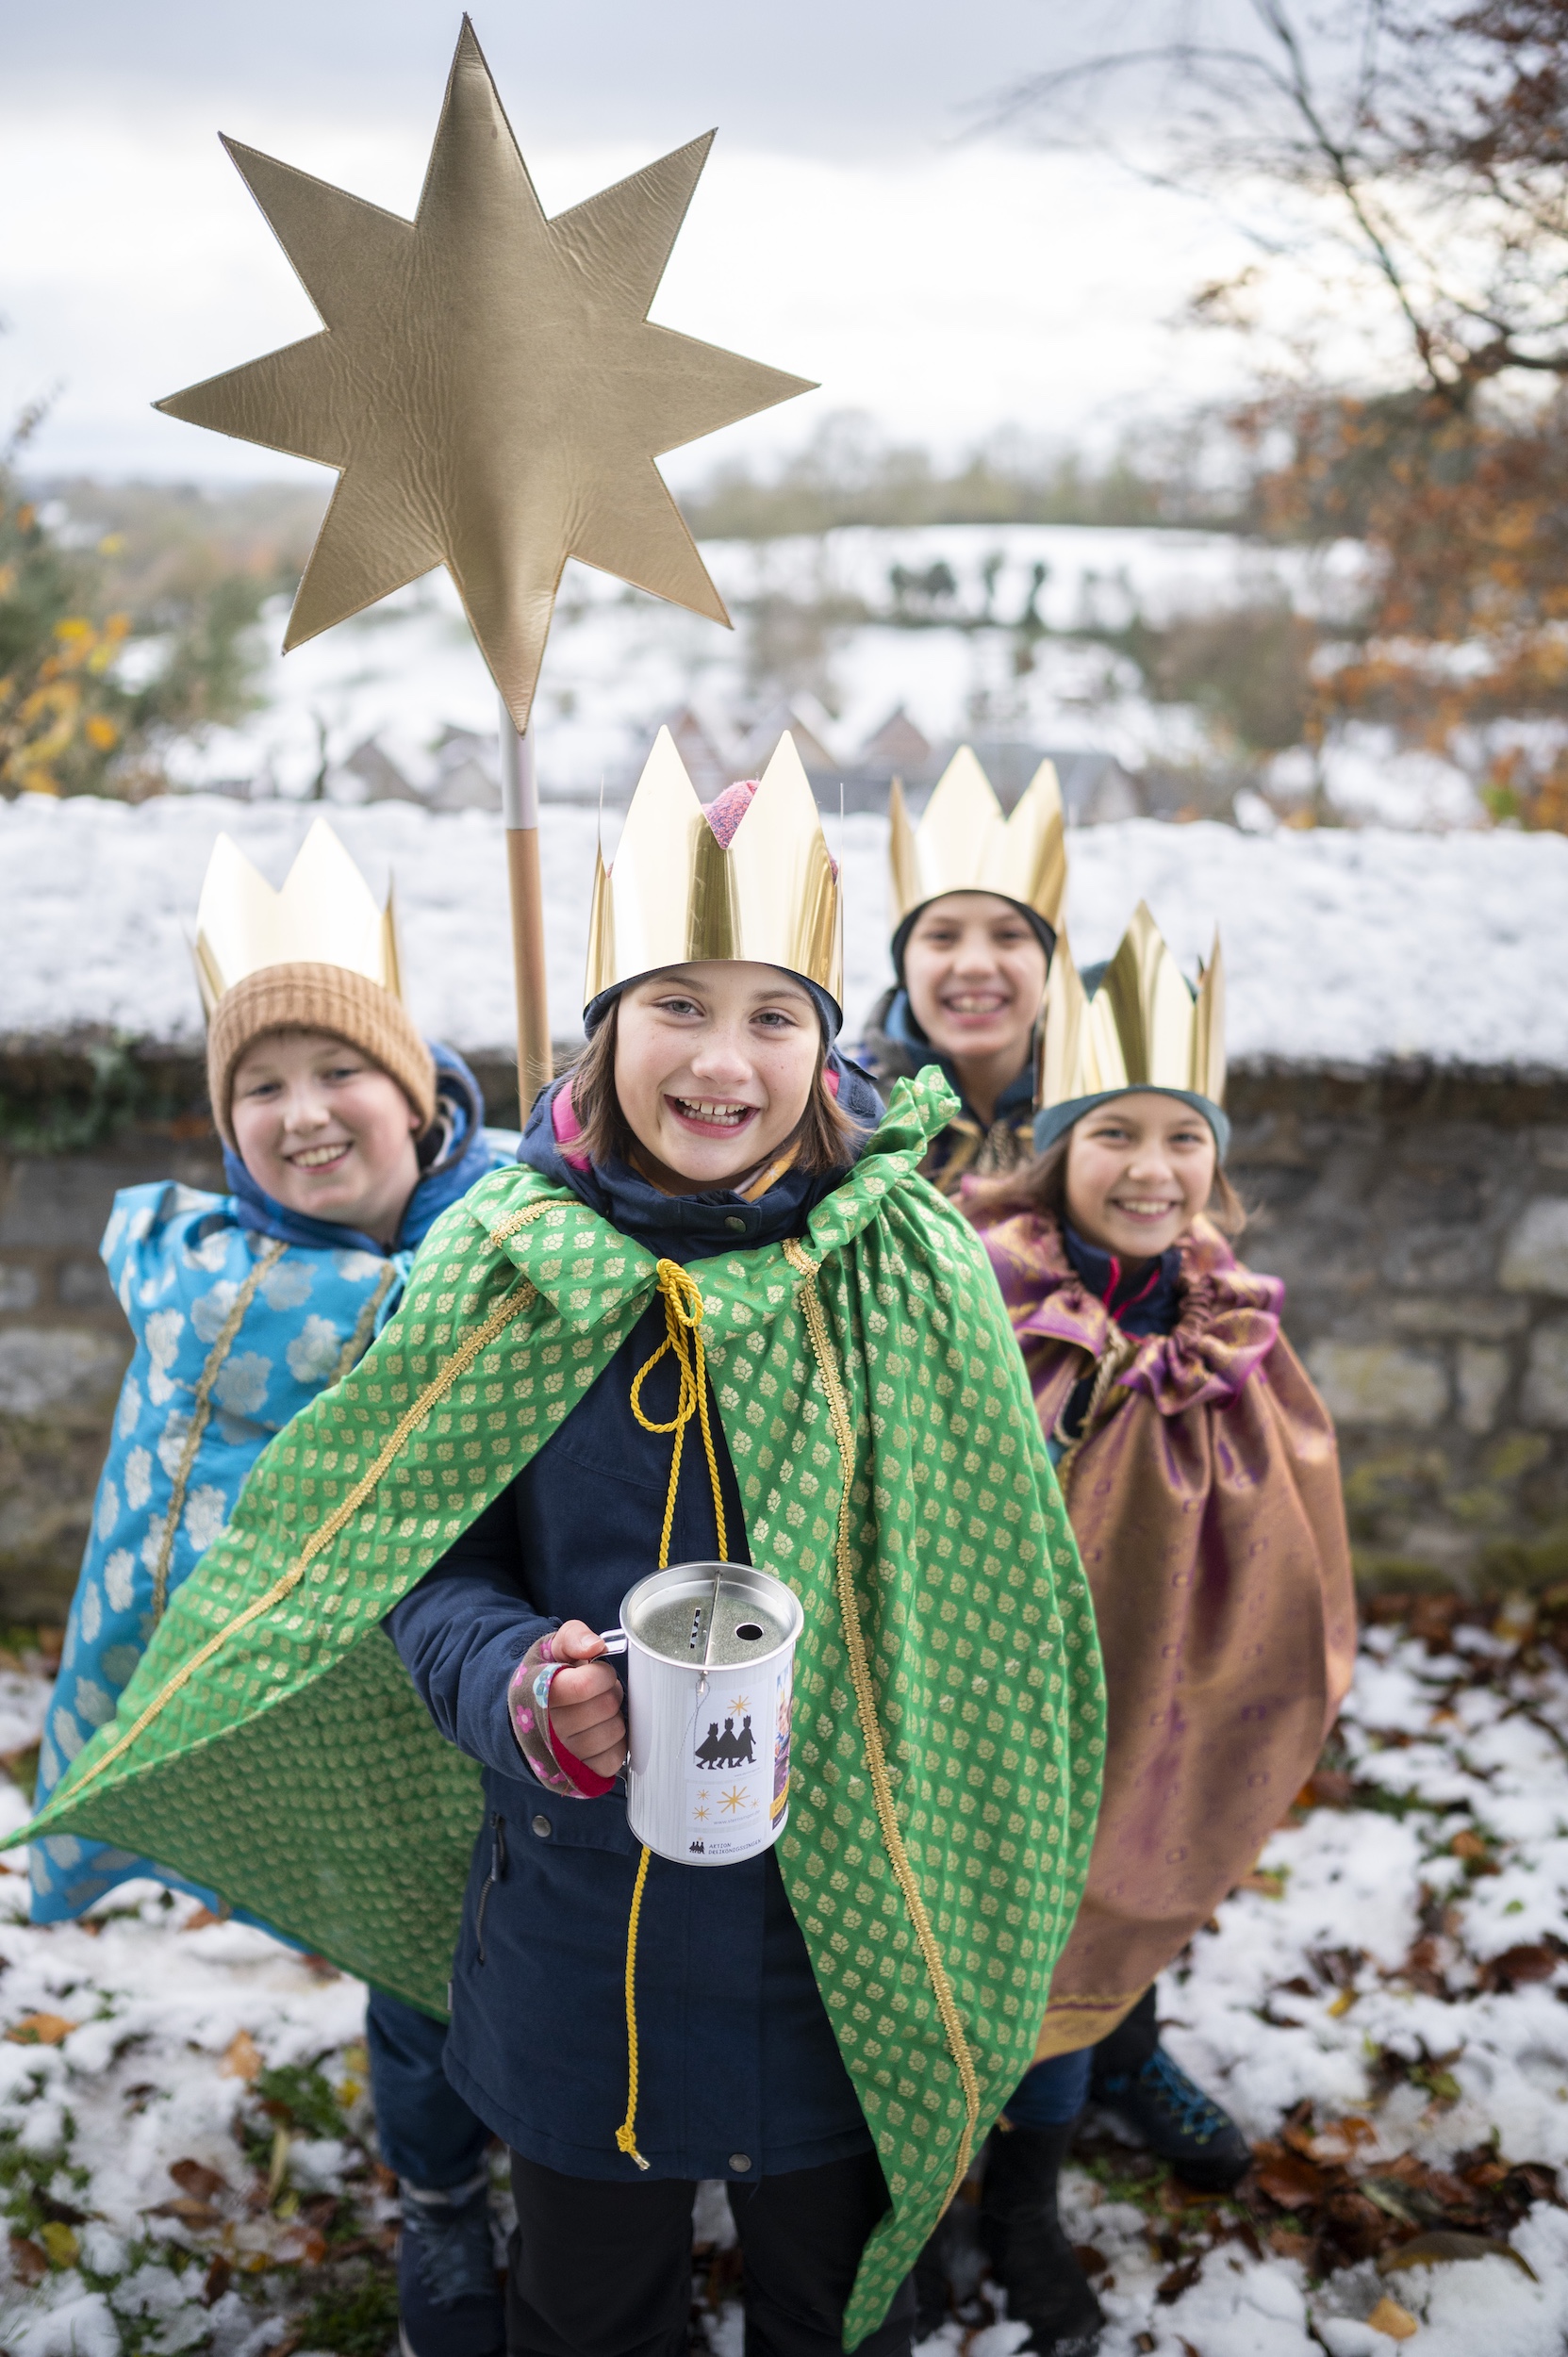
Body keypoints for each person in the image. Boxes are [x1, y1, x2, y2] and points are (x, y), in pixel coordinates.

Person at [22, 732, 1107, 2357]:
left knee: (837, 2302)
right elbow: (411, 1566)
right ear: (603, 1035)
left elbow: (996, 1596)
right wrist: (517, 1687)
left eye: (770, 1015)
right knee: (588, 2309)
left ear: (825, 1046)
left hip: (847, 1931)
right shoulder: (501, 1267)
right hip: (578, 1934)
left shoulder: (910, 1265)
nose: (720, 1064)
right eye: (675, 1004)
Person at [28, 819, 518, 2357]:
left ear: (418, 1084)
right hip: (352, 1699)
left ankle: (594, 2182)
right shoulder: (215, 1281)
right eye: (260, 1085)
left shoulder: (521, 1234)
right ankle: (442, 2205)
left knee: (556, 1946)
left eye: (337, 1071)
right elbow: (179, 1515)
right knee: (418, 1961)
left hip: (521, 1652)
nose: (303, 1115)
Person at [961, 903, 1357, 2354]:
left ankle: (1024, 2196)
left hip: (1145, 1701)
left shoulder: (1223, 1316)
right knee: (960, 1949)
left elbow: (1283, 1522)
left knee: (1088, 1943)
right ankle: (934, 2188)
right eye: (1114, 1134)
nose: (1151, 1169)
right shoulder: (975, 1297)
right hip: (981, 1699)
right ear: (1055, 1148)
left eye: (1181, 1139)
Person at [856, 747, 1065, 1189]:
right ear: (904, 964)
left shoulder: (1095, 1116)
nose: (973, 965)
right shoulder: (842, 1117)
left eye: (1009, 936)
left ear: (1049, 964)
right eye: (942, 936)